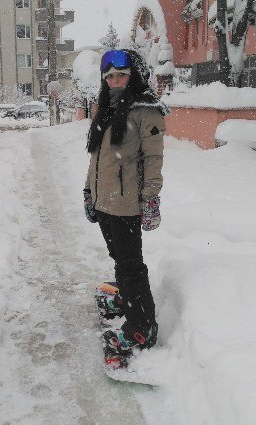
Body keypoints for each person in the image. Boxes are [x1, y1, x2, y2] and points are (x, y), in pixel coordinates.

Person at [84, 49, 167, 354]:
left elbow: (153, 159)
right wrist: (88, 192)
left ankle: (142, 327)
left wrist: (151, 199)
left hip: (127, 203)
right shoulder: (105, 109)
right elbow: (96, 160)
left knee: (131, 266)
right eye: (110, 77)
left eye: (121, 75)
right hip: (105, 201)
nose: (116, 81)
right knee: (118, 257)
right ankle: (126, 297)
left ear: (134, 76)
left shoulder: (147, 111)